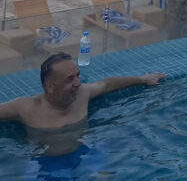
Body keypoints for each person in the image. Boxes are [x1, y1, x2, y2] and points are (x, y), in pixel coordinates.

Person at [0, 52, 165, 141]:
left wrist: (143, 79)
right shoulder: (26, 108)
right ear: (50, 86)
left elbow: (107, 84)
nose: (78, 83)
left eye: (77, 76)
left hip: (86, 155)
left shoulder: (81, 94)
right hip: (52, 165)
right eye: (70, 79)